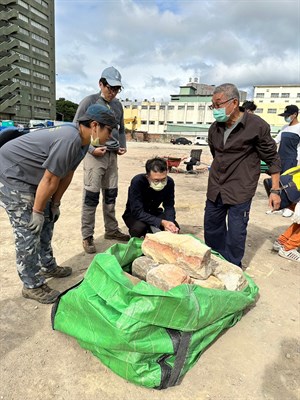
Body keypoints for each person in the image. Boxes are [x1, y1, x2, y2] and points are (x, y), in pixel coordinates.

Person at [0, 104, 116, 303]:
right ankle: (31, 284)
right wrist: (36, 210)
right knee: (29, 228)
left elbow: (66, 175)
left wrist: (55, 204)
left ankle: (47, 265)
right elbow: (50, 179)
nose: (110, 136)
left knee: (47, 220)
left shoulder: (82, 142)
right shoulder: (69, 139)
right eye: (109, 130)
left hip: (33, 178)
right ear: (95, 125)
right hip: (12, 175)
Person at [204, 83, 281, 267]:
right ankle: (215, 263)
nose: (215, 109)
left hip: (240, 189)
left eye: (218, 104)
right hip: (216, 188)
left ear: (234, 102)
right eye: (213, 106)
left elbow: (272, 158)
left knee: (236, 233)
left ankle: (233, 268)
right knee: (212, 229)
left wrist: (275, 190)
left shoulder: (256, 126)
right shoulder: (215, 128)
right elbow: (217, 155)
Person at [73, 66, 130, 254]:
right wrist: (90, 149)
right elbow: (76, 128)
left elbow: (121, 129)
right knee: (91, 197)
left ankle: (111, 230)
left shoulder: (117, 105)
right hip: (94, 156)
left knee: (111, 195)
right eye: (109, 88)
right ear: (101, 84)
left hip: (112, 156)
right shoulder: (89, 101)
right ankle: (87, 236)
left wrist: (123, 145)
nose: (112, 92)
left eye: (116, 89)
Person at [122, 157, 180, 238]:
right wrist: (161, 222)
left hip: (154, 212)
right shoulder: (137, 182)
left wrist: (170, 222)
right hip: (135, 214)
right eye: (156, 180)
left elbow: (169, 206)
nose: (160, 183)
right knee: (139, 229)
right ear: (147, 176)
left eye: (163, 179)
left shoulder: (169, 182)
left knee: (174, 229)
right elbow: (137, 211)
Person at [274, 105, 300, 217]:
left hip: (292, 159)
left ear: (294, 115)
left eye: (288, 115)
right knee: (279, 182)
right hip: (280, 158)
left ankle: (291, 206)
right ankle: (280, 204)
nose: (286, 118)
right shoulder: (285, 127)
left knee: (289, 183)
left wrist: (298, 161)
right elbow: (276, 140)